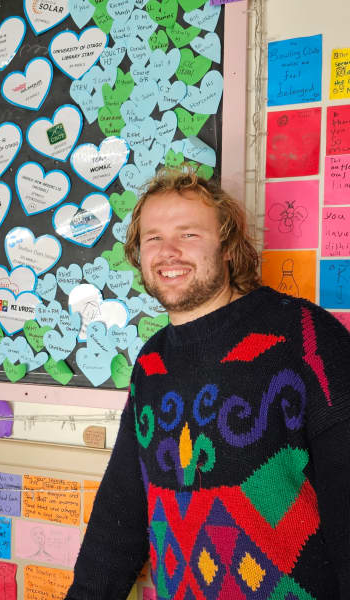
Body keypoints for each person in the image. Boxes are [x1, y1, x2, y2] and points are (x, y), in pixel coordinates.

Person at [65, 165, 350, 600]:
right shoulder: (152, 363)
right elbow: (119, 513)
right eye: (153, 238)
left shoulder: (305, 336)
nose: (168, 251)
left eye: (189, 234)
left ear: (229, 247)